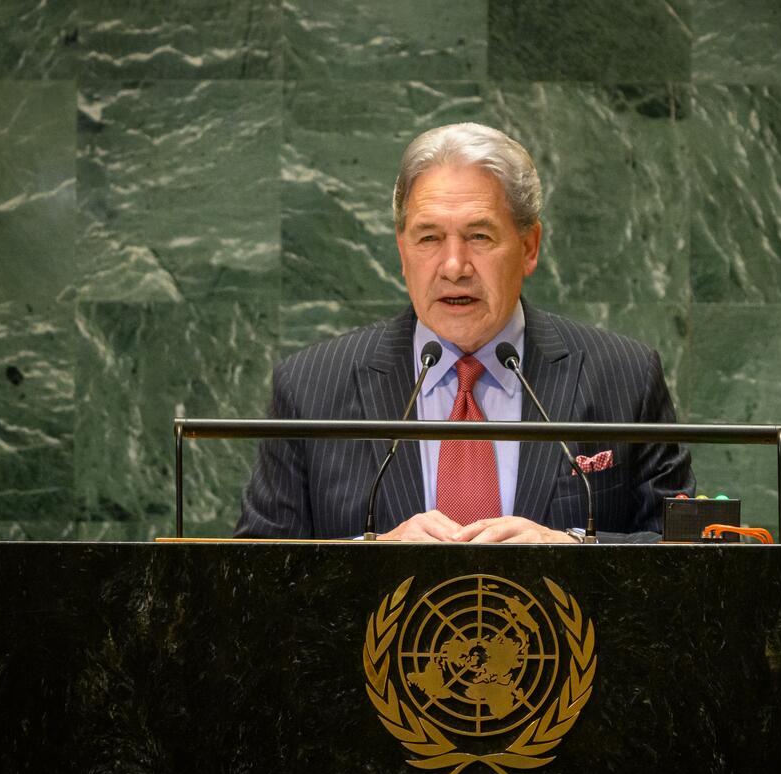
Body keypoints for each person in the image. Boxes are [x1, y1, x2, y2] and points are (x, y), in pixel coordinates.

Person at [235, 123, 695, 542]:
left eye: (479, 236)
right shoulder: (311, 389)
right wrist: (367, 554)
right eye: (429, 238)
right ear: (402, 251)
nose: (454, 267)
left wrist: (575, 545)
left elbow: (688, 555)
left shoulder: (625, 377)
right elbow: (251, 574)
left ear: (529, 247)